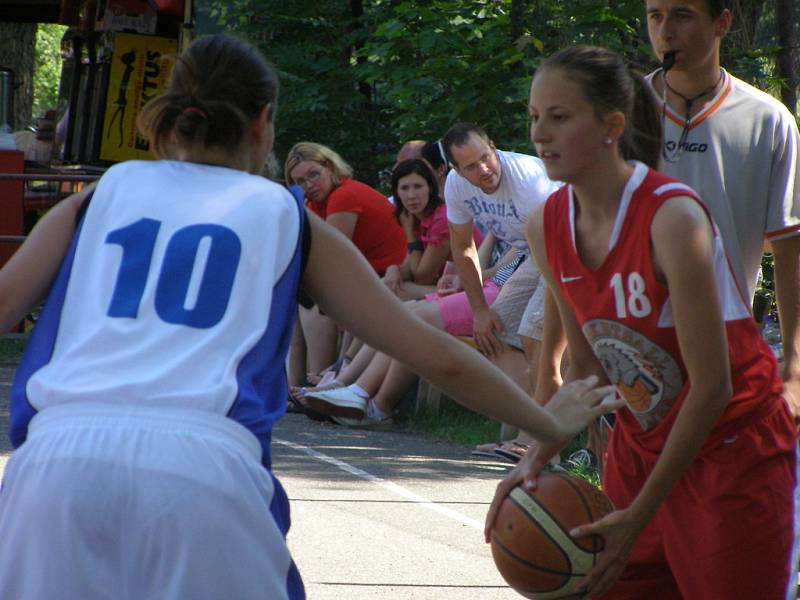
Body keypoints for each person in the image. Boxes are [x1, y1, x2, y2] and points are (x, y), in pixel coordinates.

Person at [0, 35, 623, 600]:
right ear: (264, 122)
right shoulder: (283, 216)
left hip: (52, 464)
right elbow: (428, 352)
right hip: (201, 470)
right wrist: (546, 421)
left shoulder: (99, 198)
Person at [487, 45, 798, 599]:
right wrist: (535, 455)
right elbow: (588, 370)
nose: (540, 135)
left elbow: (712, 386)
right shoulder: (548, 224)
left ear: (611, 126)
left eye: (559, 118)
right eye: (535, 118)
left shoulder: (672, 217)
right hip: (644, 446)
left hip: (732, 452)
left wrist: (640, 515)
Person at [645, 0, 800, 415]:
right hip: (634, 346)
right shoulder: (624, 113)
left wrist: (796, 370)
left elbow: (790, 252)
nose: (664, 31)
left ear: (722, 23)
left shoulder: (768, 120)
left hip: (725, 348)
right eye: (654, 16)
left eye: (682, 15)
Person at [441, 123, 561, 460]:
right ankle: (532, 421)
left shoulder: (526, 179)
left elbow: (561, 242)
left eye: (485, 158)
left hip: (568, 248)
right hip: (533, 253)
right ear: (456, 171)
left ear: (494, 147)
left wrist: (547, 318)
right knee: (495, 329)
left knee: (537, 335)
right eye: (470, 166)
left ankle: (540, 443)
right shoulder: (456, 188)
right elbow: (463, 247)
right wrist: (479, 310)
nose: (483, 169)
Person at [284, 141, 406, 384]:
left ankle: (319, 379)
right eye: (300, 181)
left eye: (313, 174)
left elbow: (327, 259)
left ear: (329, 167)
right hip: (367, 272)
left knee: (311, 297)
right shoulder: (315, 202)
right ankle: (294, 387)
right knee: (297, 296)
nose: (309, 185)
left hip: (393, 273)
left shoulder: (344, 195)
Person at [383, 158, 483, 301]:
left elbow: (422, 277)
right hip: (443, 283)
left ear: (430, 188)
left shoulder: (442, 218)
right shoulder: (416, 218)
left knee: (392, 292)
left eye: (418, 186)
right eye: (404, 188)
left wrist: (410, 234)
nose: (411, 195)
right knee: (386, 284)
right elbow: (409, 267)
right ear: (397, 193)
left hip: (468, 285)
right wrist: (392, 270)